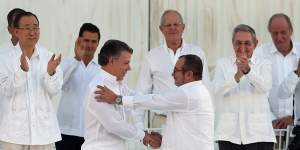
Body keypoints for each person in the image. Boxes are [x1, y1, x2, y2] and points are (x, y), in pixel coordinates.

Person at [95, 54, 214, 150]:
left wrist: (118, 99)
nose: (172, 74)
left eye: (176, 70)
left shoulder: (189, 93)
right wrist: (164, 139)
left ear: (189, 75)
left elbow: (154, 100)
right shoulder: (193, 91)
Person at [136, 9, 211, 129]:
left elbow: (206, 87)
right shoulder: (152, 56)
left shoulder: (197, 52)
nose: (173, 28)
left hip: (191, 120)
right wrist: (139, 126)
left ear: (183, 27)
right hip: (161, 121)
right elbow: (142, 91)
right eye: (168, 25)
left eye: (176, 24)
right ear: (161, 29)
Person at [81, 39, 161, 150]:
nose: (129, 68)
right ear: (112, 61)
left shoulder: (120, 85)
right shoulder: (98, 88)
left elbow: (138, 100)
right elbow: (115, 125)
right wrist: (144, 136)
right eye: (126, 63)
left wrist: (163, 102)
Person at [0, 11, 63, 149]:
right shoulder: (3, 58)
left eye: (35, 28)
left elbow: (55, 89)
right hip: (13, 134)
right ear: (16, 32)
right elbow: (5, 91)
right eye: (27, 28)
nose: (32, 32)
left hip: (44, 133)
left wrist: (51, 73)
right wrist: (22, 71)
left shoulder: (49, 57)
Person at [213, 24, 276, 150]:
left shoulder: (264, 64)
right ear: (233, 43)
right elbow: (216, 90)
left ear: (255, 43)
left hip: (259, 133)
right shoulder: (223, 64)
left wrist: (248, 71)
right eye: (238, 43)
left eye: (247, 43)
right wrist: (236, 76)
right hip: (229, 134)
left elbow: (265, 87)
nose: (242, 47)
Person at [55, 23, 101, 150]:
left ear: (98, 44)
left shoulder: (101, 70)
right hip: (65, 132)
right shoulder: (66, 64)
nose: (89, 45)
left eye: (93, 41)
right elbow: (57, 84)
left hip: (92, 134)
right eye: (86, 40)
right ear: (78, 40)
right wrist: (76, 59)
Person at [255, 13, 300, 129]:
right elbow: (255, 91)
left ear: (291, 31)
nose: (279, 37)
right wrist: (271, 119)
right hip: (269, 127)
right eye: (275, 33)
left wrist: (295, 117)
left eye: (283, 32)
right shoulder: (259, 54)